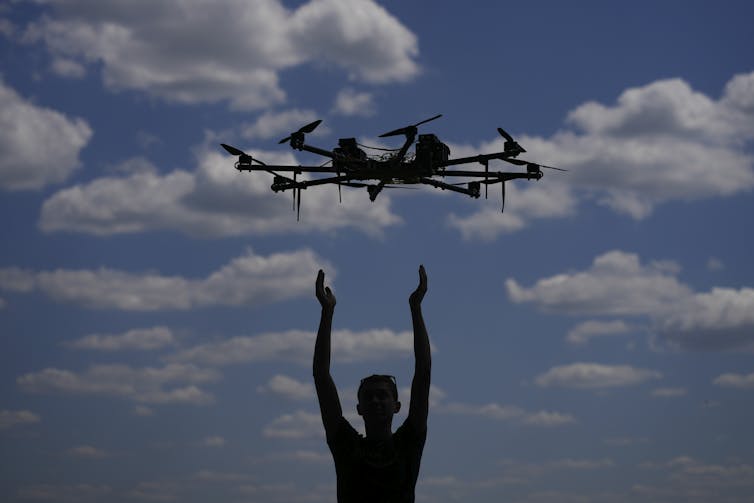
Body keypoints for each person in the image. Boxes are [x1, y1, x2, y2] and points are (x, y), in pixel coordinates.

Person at [313, 266, 431, 503]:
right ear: (359, 408)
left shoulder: (409, 442)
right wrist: (327, 312)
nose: (375, 401)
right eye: (368, 397)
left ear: (397, 406)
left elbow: (423, 372)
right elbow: (321, 376)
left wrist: (416, 309)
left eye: (382, 396)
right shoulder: (346, 445)